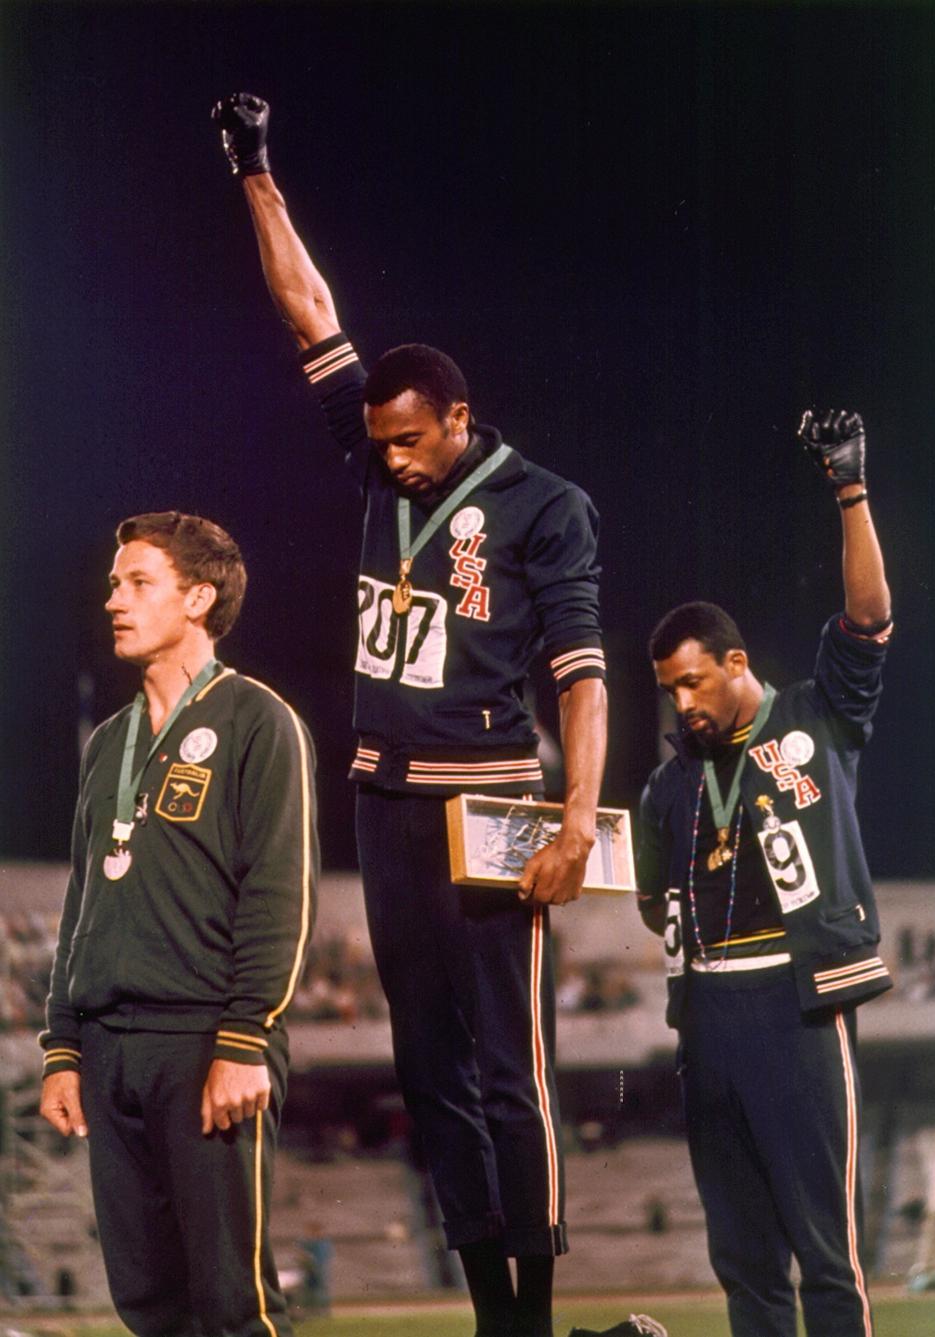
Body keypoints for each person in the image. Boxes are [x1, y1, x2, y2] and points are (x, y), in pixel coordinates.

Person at [212, 93, 608, 1337]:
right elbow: (312, 314)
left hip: (490, 808)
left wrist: (579, 820)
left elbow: (582, 675)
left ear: (454, 416)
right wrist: (257, 173)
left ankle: (536, 1315)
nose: (383, 460)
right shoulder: (376, 458)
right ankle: (491, 1312)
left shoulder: (548, 506)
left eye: (403, 441)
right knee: (429, 1069)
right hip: (383, 804)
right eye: (374, 443)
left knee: (510, 1072)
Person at [636, 410, 893, 1337]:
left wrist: (850, 489)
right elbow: (647, 899)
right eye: (669, 687)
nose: (682, 700)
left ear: (737, 663)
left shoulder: (816, 719)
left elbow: (868, 620)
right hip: (706, 1015)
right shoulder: (668, 784)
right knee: (743, 1264)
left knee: (826, 1254)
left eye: (695, 681)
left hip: (798, 1001)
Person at [39, 511, 319, 1337]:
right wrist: (64, 1047)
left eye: (138, 583)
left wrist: (245, 1037)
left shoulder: (258, 722)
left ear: (198, 597)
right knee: (149, 1305)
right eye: (113, 585)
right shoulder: (108, 745)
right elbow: (81, 904)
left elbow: (279, 896)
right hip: (109, 1051)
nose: (114, 601)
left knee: (235, 1304)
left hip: (207, 1045)